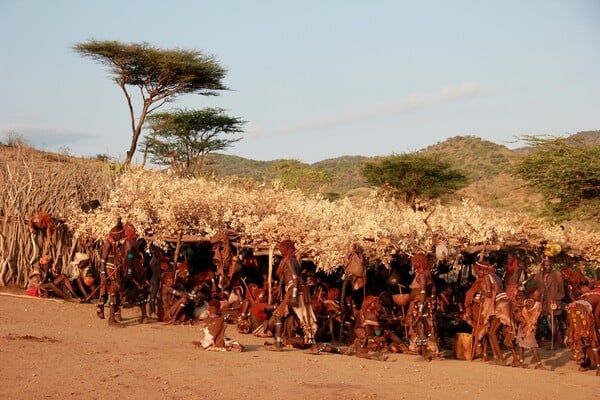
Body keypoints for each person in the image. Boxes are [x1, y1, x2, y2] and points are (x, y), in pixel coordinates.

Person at [270, 239, 317, 349]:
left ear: (286, 249)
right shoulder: (293, 260)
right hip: (294, 290)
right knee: (301, 316)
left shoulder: (289, 261)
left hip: (295, 291)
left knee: (304, 317)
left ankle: (313, 345)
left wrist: (294, 295)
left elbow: (295, 278)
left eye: (282, 248)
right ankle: (278, 343)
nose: (280, 251)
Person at [97, 220, 126, 325]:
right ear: (117, 234)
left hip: (114, 269)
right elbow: (103, 260)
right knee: (112, 292)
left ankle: (115, 315)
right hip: (108, 270)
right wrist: (103, 273)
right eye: (121, 234)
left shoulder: (116, 244)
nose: (122, 236)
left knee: (115, 292)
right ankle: (112, 319)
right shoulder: (108, 243)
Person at [534, 257, 565, 348]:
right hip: (542, 302)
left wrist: (557, 301)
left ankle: (556, 342)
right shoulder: (539, 275)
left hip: (553, 301)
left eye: (549, 265)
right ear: (543, 266)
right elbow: (537, 288)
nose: (548, 267)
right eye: (546, 265)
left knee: (552, 322)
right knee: (539, 321)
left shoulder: (557, 274)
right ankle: (538, 340)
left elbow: (561, 290)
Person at [515, 289, 545, 369]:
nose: (539, 296)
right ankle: (539, 364)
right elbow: (520, 305)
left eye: (539, 295)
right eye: (537, 295)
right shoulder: (529, 302)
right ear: (532, 295)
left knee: (525, 345)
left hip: (530, 327)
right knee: (531, 346)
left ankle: (522, 362)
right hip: (526, 327)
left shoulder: (537, 303)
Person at [147, 245, 162, 319]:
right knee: (153, 296)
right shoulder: (156, 260)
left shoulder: (152, 260)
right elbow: (158, 272)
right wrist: (160, 279)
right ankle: (152, 312)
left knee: (153, 295)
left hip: (152, 279)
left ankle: (151, 312)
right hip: (155, 280)